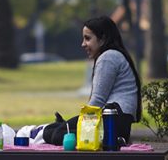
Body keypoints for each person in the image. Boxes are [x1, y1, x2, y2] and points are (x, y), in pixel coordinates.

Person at [44, 15, 141, 145]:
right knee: (57, 129)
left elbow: (97, 102)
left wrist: (79, 124)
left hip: (112, 122)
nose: (83, 44)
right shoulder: (114, 55)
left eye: (87, 38)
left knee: (54, 134)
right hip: (115, 122)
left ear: (102, 39)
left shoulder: (108, 57)